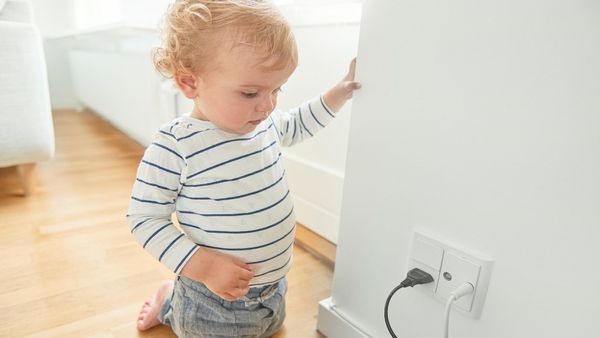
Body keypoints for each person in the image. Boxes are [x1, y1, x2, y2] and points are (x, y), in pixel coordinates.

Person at [126, 0, 361, 336]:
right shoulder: (176, 146)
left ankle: (183, 301)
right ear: (190, 83)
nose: (267, 105)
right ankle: (171, 303)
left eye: (276, 89)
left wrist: (340, 93)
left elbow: (296, 124)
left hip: (273, 287)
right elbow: (144, 219)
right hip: (212, 299)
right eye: (250, 92)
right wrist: (202, 266)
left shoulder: (261, 124)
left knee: (272, 327)